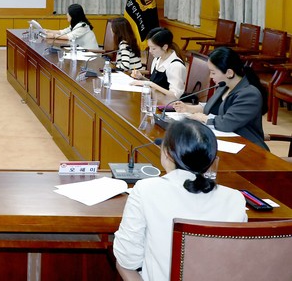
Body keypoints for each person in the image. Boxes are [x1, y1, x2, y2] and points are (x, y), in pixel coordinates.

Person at [113, 119, 247, 281]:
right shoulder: (235, 199)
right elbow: (237, 260)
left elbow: (128, 258)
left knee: (122, 262)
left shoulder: (146, 190)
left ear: (168, 153)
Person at [172, 47, 269, 150]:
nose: (210, 76)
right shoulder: (224, 85)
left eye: (213, 72)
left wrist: (203, 118)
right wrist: (188, 108)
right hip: (224, 141)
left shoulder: (249, 94)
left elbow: (227, 123)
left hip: (247, 147)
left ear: (229, 73)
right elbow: (212, 107)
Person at [130, 27, 186, 100]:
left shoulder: (176, 66)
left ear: (165, 47)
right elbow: (156, 84)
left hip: (167, 105)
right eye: (149, 47)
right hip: (154, 100)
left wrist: (150, 84)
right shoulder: (157, 59)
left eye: (153, 48)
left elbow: (174, 96)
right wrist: (141, 78)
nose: (150, 51)